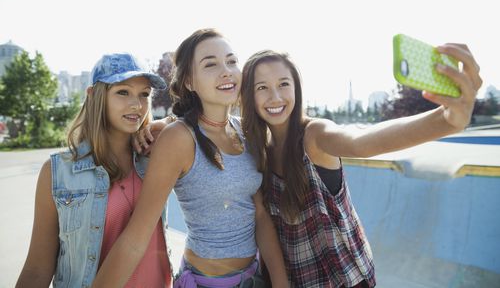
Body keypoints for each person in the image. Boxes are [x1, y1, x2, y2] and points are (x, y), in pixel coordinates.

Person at [239, 46, 482, 288]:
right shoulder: (260, 153)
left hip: (344, 279)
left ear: (296, 88)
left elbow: (361, 142)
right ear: (249, 95)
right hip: (296, 280)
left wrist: (446, 121)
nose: (275, 97)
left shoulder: (314, 136)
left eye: (283, 84)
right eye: (262, 87)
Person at [92, 29, 289, 288]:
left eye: (231, 61)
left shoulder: (248, 131)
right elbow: (136, 236)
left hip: (254, 278)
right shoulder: (178, 138)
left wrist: (281, 283)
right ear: (189, 81)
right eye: (210, 64)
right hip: (207, 283)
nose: (226, 71)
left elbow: (261, 215)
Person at [15, 53, 172, 288]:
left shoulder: (156, 157)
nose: (136, 105)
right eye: (123, 92)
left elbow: (205, 126)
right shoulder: (59, 172)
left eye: (144, 94)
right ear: (94, 95)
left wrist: (168, 124)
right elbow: (37, 268)